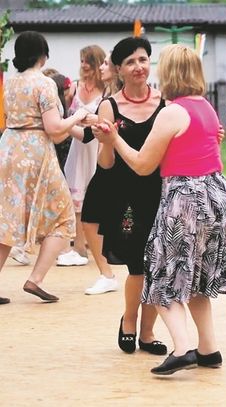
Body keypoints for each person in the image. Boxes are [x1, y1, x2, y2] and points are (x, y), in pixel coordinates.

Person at [94, 44, 226, 375]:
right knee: (198, 281)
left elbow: (143, 164)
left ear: (169, 72)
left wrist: (114, 139)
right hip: (217, 196)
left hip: (184, 199)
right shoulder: (207, 107)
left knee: (160, 277)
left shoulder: (171, 112)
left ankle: (183, 348)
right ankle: (208, 349)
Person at [0, 31, 88, 305]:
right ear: (43, 53)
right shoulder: (45, 84)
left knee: (6, 218)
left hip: (8, 148)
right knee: (63, 216)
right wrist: (79, 115)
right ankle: (35, 279)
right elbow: (55, 129)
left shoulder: (11, 83)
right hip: (36, 152)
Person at [91, 37, 166, 354]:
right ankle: (129, 322)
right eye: (131, 62)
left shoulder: (166, 101)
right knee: (138, 266)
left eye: (144, 59)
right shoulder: (109, 106)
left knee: (157, 265)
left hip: (161, 193)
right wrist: (107, 141)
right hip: (126, 197)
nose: (139, 66)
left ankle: (148, 334)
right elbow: (105, 164)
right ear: (119, 70)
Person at [57, 45, 106, 267]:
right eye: (82, 60)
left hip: (97, 147)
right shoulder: (74, 89)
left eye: (87, 60)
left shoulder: (107, 90)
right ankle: (78, 247)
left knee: (98, 197)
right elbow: (63, 114)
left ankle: (101, 246)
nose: (83, 65)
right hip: (78, 147)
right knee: (76, 199)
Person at [78, 54, 122, 295]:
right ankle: (107, 273)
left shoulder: (118, 99)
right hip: (105, 163)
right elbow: (87, 136)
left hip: (120, 164)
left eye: (106, 63)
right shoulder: (107, 97)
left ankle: (112, 272)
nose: (101, 67)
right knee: (90, 216)